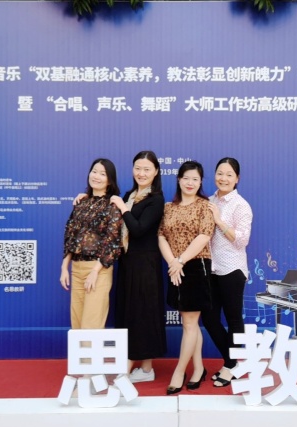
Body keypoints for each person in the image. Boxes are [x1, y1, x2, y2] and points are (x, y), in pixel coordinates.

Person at [158, 160, 214, 395]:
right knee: (189, 322)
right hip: (174, 267)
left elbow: (205, 236)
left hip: (195, 266)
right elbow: (161, 235)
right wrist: (172, 262)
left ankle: (179, 371)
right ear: (179, 179)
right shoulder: (169, 207)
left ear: (200, 182)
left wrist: (180, 261)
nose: (190, 183)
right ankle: (199, 368)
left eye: (195, 179)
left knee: (190, 323)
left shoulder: (205, 206)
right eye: (186, 178)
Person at [111, 151, 167, 382]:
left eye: (146, 169)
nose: (141, 173)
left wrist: (123, 208)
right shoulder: (130, 195)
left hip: (145, 264)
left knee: (142, 313)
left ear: (156, 172)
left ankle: (127, 368)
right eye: (137, 168)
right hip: (127, 262)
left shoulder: (156, 199)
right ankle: (146, 369)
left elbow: (139, 229)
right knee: (131, 312)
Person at [202, 157, 253, 388]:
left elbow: (242, 240)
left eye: (229, 174)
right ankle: (232, 362)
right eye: (220, 173)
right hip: (210, 269)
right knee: (209, 318)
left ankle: (230, 366)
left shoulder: (241, 205)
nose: (223, 178)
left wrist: (219, 221)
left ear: (237, 178)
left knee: (233, 318)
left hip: (232, 269)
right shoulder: (209, 201)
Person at [60, 158, 123, 331]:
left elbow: (112, 241)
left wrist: (95, 271)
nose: (96, 176)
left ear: (109, 180)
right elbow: (71, 236)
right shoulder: (81, 203)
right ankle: (81, 354)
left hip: (98, 269)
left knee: (91, 326)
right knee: (77, 325)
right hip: (76, 268)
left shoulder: (112, 205)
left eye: (102, 174)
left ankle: (91, 354)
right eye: (94, 171)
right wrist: (64, 267)